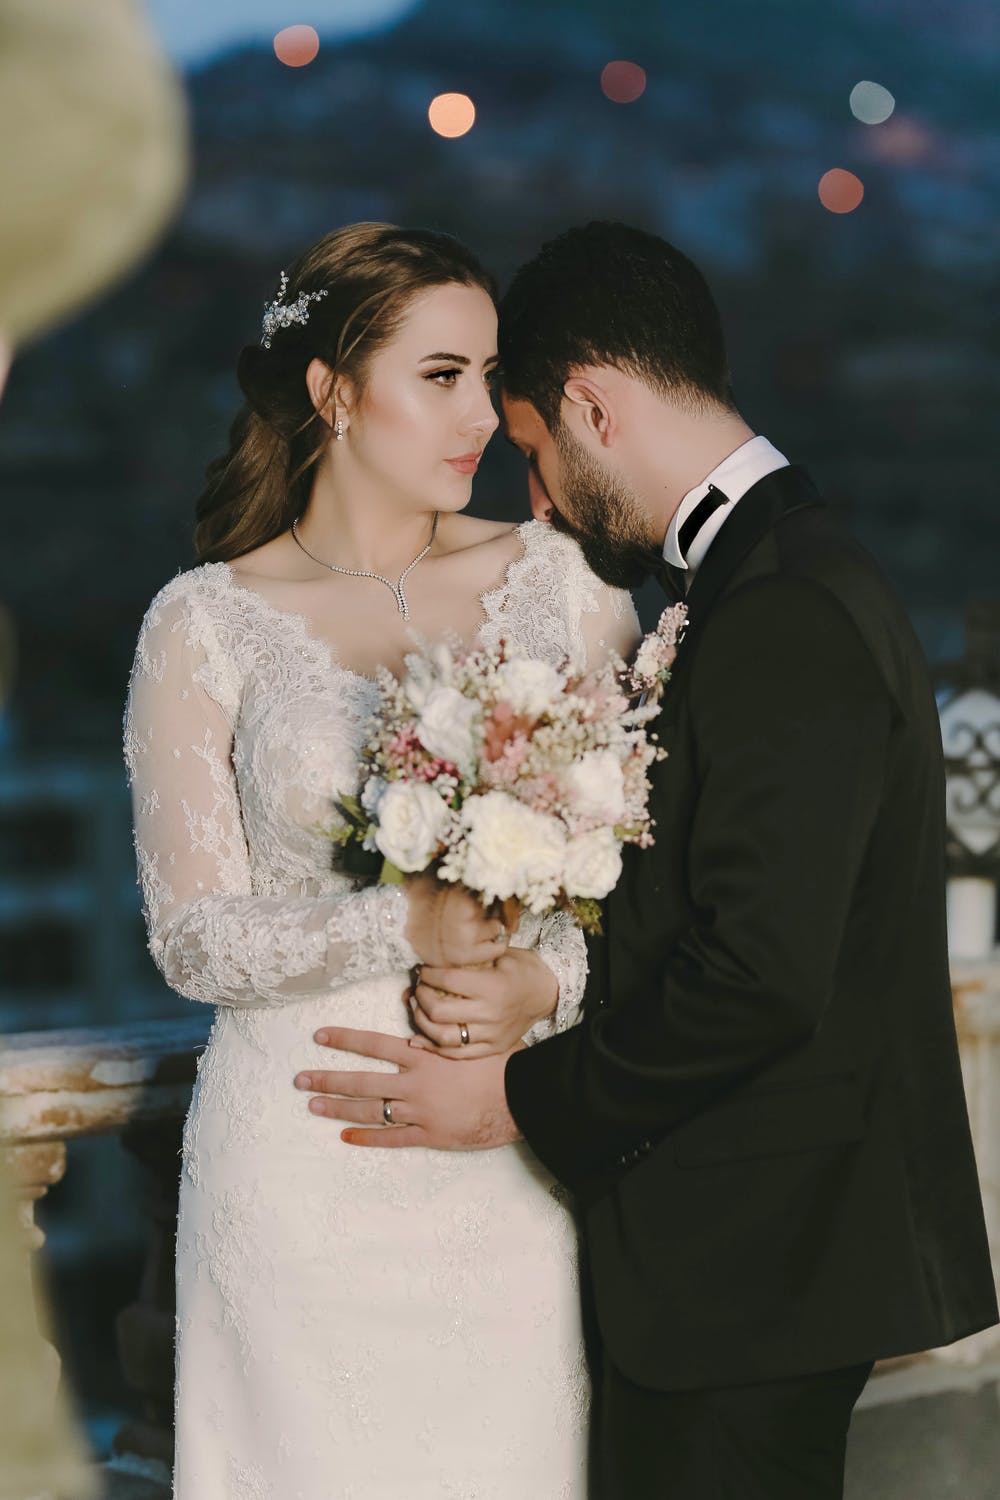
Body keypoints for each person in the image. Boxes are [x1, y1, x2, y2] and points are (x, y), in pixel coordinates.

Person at [301, 220, 999, 1499]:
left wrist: (514, 1099)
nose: (541, 499)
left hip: (751, 1272)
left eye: (533, 454)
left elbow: (757, 974)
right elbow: (726, 905)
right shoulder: (775, 575)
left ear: (592, 406)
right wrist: (547, 983)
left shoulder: (782, 608)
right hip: (757, 1261)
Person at [123, 221, 640, 1497]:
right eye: (442, 374)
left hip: (502, 1147)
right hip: (298, 1171)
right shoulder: (204, 624)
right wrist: (402, 925)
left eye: (489, 373)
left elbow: (635, 870)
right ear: (333, 390)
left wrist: (547, 986)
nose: (482, 411)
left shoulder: (561, 586)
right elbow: (191, 939)